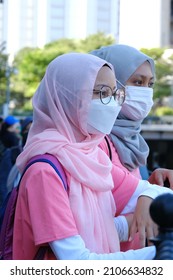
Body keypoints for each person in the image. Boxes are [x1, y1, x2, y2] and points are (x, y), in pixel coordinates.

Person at [13, 52, 172, 260]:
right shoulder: (44, 171)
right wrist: (159, 253)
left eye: (115, 94)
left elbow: (152, 192)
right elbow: (77, 262)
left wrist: (148, 195)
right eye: (101, 93)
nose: (113, 103)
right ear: (68, 96)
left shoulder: (89, 154)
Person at [90, 44, 173, 250]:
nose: (145, 92)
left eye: (149, 84)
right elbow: (86, 229)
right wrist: (152, 201)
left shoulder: (131, 140)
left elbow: (124, 195)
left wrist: (151, 184)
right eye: (137, 82)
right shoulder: (92, 141)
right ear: (110, 82)